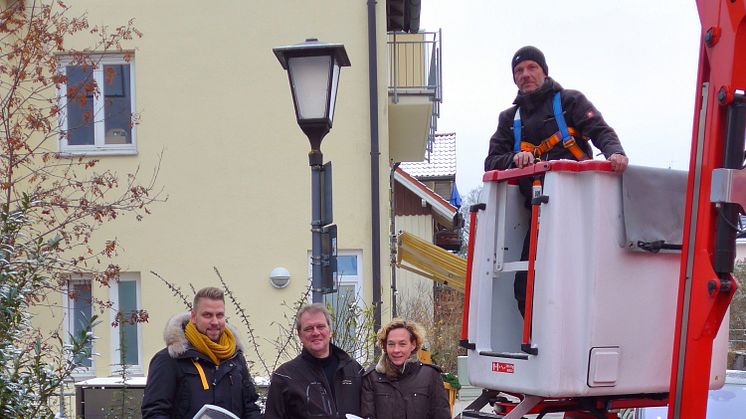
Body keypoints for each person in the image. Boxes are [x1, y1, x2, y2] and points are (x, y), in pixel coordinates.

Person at [484, 46, 629, 316]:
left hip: (580, 208)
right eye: (519, 71)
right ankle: (538, 345)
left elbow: (600, 131)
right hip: (539, 214)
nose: (525, 74)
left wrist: (615, 153)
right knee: (524, 286)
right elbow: (491, 161)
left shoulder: (570, 101)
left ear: (544, 70)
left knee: (578, 280)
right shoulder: (509, 119)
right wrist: (515, 158)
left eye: (531, 67)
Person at [141, 287, 262, 419]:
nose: (215, 322)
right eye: (207, 315)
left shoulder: (235, 358)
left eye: (219, 315)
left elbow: (251, 408)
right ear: (193, 317)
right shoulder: (169, 359)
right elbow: (154, 413)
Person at [264, 303, 363, 419]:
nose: (316, 333)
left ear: (330, 331)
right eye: (308, 328)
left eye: (321, 326)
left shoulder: (355, 370)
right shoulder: (284, 376)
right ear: (300, 335)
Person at [360, 319, 450, 419]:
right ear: (385, 346)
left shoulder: (430, 376)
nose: (396, 350)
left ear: (413, 345)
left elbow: (441, 414)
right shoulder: (372, 377)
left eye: (402, 344)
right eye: (391, 344)